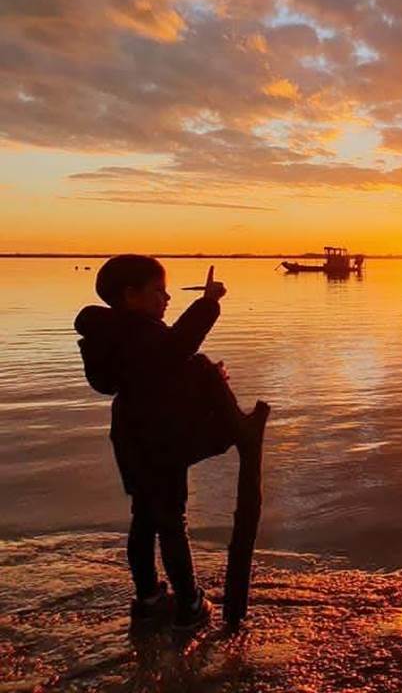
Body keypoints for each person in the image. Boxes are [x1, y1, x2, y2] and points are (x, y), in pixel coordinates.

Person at [74, 255, 269, 630]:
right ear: (131, 295)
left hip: (131, 441)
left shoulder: (116, 337)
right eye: (159, 290)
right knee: (171, 521)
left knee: (145, 519)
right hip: (159, 444)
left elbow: (162, 371)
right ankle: (189, 605)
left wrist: (204, 374)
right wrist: (210, 301)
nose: (167, 298)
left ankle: (148, 598)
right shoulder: (139, 333)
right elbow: (178, 346)